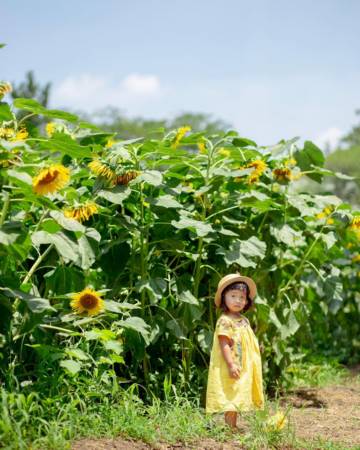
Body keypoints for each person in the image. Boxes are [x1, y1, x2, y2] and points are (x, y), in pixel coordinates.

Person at [206, 273, 265, 429]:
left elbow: (246, 339)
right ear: (224, 297)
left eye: (242, 297)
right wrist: (231, 364)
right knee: (232, 392)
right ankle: (230, 426)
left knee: (239, 392)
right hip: (231, 363)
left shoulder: (243, 320)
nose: (238, 300)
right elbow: (224, 343)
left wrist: (255, 347)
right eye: (233, 296)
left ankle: (233, 425)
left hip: (243, 364)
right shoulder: (225, 321)